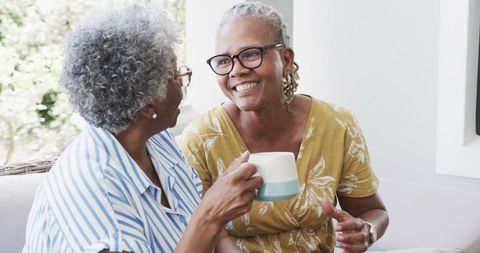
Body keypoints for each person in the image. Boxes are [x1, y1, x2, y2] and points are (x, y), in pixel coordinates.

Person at [23, 4, 263, 253]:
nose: (182, 85)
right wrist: (210, 216)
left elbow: (217, 237)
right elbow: (205, 224)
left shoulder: (158, 141)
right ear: (148, 104)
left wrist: (213, 222)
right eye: (175, 76)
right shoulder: (95, 189)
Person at [179, 2, 389, 253]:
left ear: (286, 59)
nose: (236, 70)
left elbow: (372, 211)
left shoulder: (336, 125)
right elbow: (189, 233)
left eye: (250, 54)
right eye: (224, 61)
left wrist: (367, 229)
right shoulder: (201, 139)